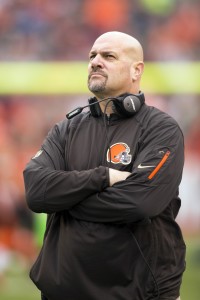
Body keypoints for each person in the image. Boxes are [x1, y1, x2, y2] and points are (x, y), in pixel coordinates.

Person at [23, 31, 185, 300]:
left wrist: (64, 199)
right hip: (64, 292)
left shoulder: (162, 130)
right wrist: (103, 177)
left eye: (108, 56)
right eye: (92, 56)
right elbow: (36, 191)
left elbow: (139, 202)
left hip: (140, 294)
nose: (96, 61)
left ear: (137, 71)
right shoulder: (66, 129)